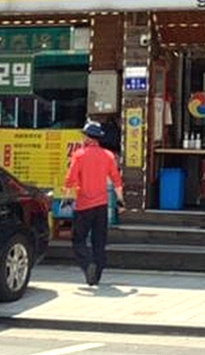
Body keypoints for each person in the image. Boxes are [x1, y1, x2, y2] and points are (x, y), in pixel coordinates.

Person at [64, 120, 124, 286]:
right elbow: (116, 180)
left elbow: (70, 179)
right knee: (99, 241)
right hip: (101, 205)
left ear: (88, 137)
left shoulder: (79, 155)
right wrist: (120, 201)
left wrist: (67, 196)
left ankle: (87, 263)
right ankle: (96, 276)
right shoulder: (108, 155)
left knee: (78, 240)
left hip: (83, 204)